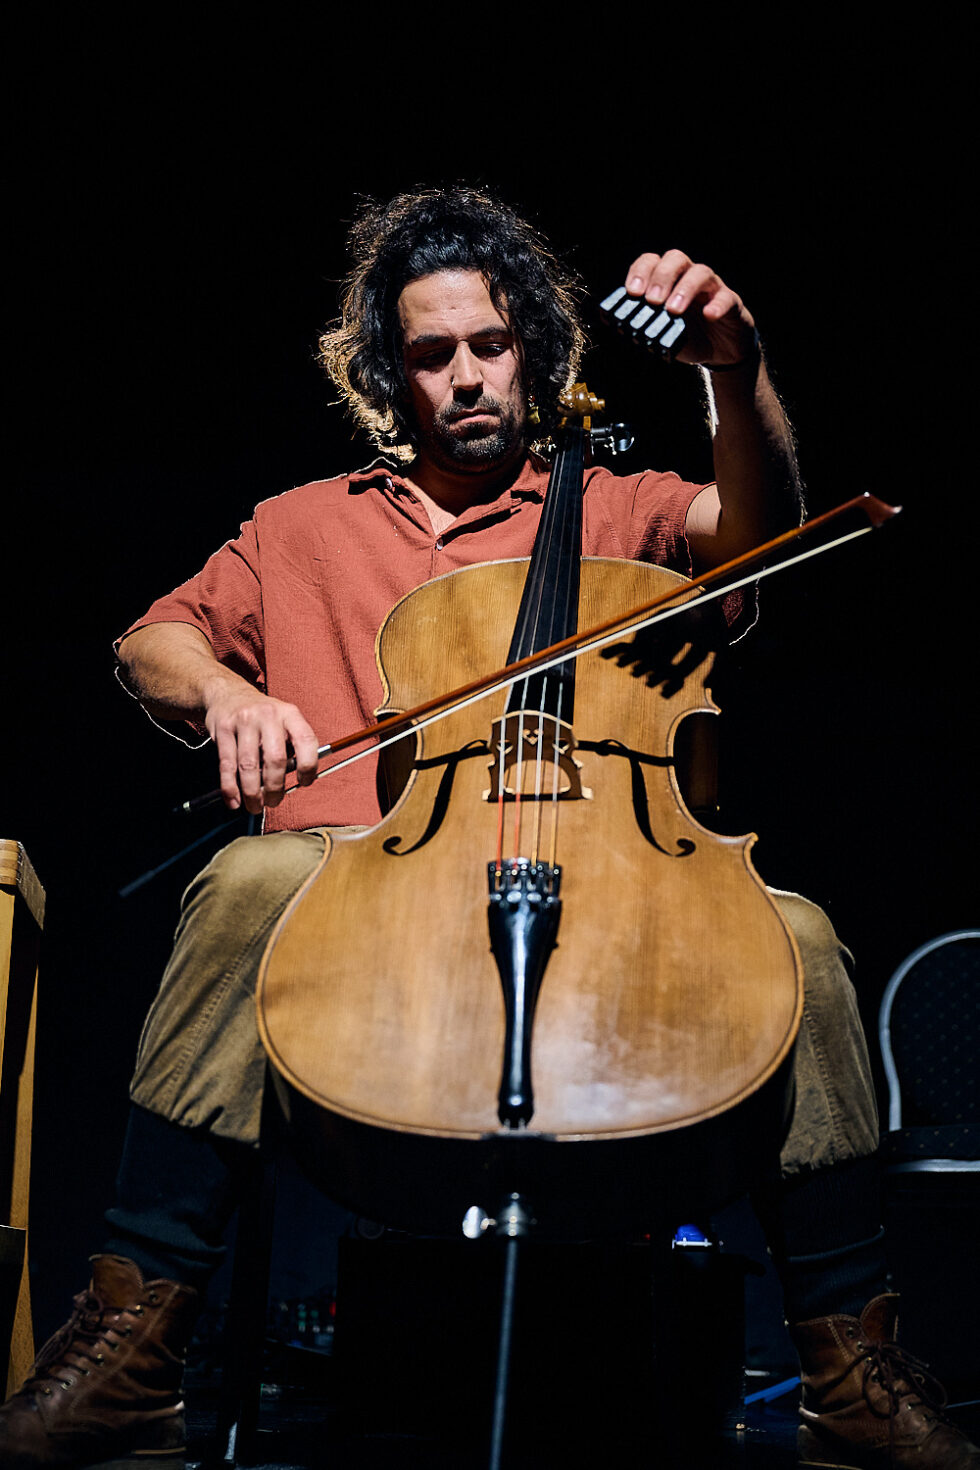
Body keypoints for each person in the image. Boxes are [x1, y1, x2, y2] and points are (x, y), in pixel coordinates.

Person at [2, 187, 975, 1470]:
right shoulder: (303, 526)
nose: (466, 376)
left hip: (603, 915)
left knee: (793, 932)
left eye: (490, 345)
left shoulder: (614, 508)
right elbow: (153, 642)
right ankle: (135, 1347)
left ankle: (847, 1365)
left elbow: (759, 537)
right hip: (354, 924)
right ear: (387, 376)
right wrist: (233, 696)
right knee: (243, 879)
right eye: (430, 354)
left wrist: (731, 378)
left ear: (532, 352)